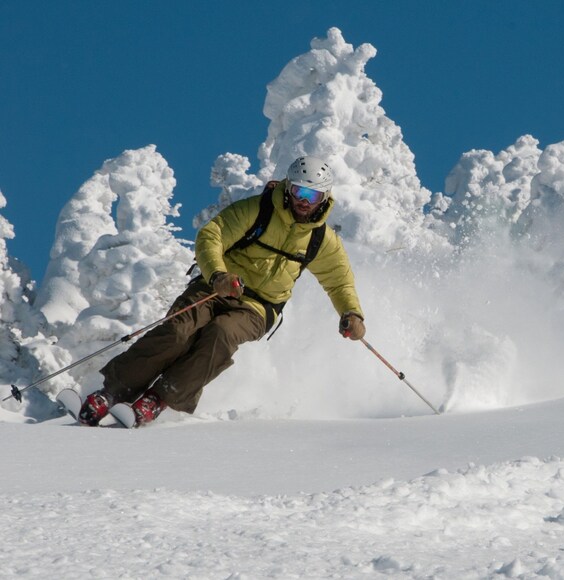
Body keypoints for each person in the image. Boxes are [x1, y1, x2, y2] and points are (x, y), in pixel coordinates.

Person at [77, 156, 366, 427]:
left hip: (258, 307)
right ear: (288, 187)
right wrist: (218, 275)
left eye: (312, 196)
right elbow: (211, 235)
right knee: (179, 331)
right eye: (300, 192)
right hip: (216, 287)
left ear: (324, 198)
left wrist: (352, 314)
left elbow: (339, 281)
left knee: (222, 334)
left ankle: (161, 398)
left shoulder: (321, 240)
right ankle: (112, 392)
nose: (303, 202)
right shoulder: (258, 210)